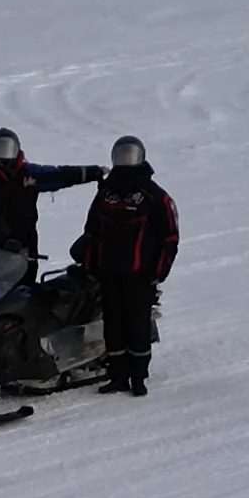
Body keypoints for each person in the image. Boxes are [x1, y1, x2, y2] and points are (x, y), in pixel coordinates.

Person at [75, 136, 179, 397]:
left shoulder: (155, 197)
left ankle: (139, 376)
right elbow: (91, 231)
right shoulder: (106, 194)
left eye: (129, 155)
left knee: (137, 325)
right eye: (121, 155)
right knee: (113, 325)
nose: (125, 159)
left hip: (139, 274)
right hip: (109, 272)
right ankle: (117, 375)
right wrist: (89, 264)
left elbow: (169, 237)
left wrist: (158, 272)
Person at [0, 128, 104, 279]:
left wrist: (92, 172)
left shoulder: (28, 174)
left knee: (26, 295)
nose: (4, 154)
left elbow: (59, 174)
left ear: (16, 149)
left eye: (8, 148)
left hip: (26, 250)